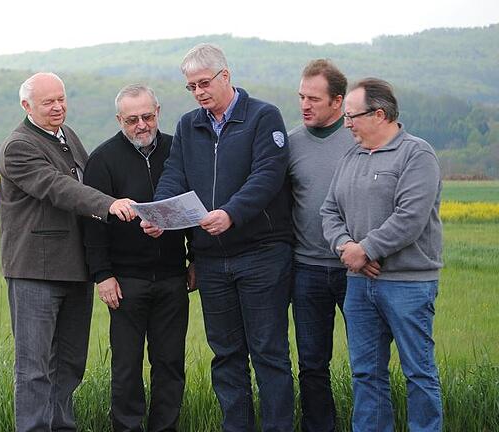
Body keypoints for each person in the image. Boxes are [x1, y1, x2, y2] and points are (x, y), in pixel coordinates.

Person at [142, 43, 294, 432]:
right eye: (191, 86)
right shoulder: (188, 124)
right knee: (226, 355)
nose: (198, 92)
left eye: (204, 83)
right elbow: (174, 174)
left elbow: (268, 175)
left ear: (225, 76)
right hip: (210, 260)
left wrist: (232, 213)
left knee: (269, 353)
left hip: (261, 253)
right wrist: (160, 213)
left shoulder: (263, 116)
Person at [0, 72, 135, 432]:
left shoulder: (67, 136)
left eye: (61, 99)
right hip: (35, 272)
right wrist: (109, 204)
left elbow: (87, 179)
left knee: (70, 363)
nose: (58, 107)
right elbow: (59, 188)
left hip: (75, 269)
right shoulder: (19, 146)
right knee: (34, 367)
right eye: (48, 102)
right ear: (27, 106)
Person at [321, 78, 443, 432]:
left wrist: (367, 249)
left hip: (408, 284)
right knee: (366, 373)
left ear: (379, 114)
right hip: (360, 284)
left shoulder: (417, 154)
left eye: (352, 116)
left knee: (418, 372)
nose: (346, 124)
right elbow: (329, 211)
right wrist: (347, 248)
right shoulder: (352, 155)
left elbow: (410, 217)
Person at [83, 84, 194, 432]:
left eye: (147, 116)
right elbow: (93, 225)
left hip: (174, 277)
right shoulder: (103, 159)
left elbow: (195, 206)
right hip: (126, 281)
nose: (141, 125)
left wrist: (199, 260)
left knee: (170, 364)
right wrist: (102, 275)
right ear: (120, 120)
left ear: (158, 111)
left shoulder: (180, 150)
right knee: (127, 367)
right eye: (132, 120)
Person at [287, 59, 354, 432]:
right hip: (307, 269)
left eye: (314, 98)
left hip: (356, 270)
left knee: (367, 360)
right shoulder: (292, 142)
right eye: (301, 97)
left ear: (338, 101)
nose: (305, 105)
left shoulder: (358, 139)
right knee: (312, 363)